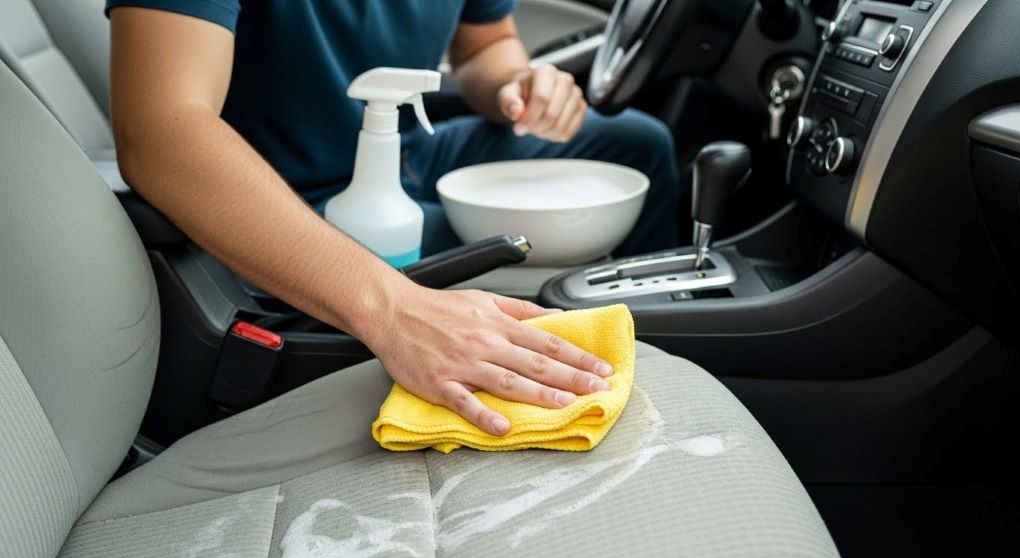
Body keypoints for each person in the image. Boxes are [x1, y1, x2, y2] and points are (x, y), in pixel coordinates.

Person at [106, 0, 681, 434]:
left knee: (639, 147)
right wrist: (395, 307)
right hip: (293, 195)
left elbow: (485, 46)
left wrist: (517, 85)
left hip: (405, 146)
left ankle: (664, 350)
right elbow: (160, 129)